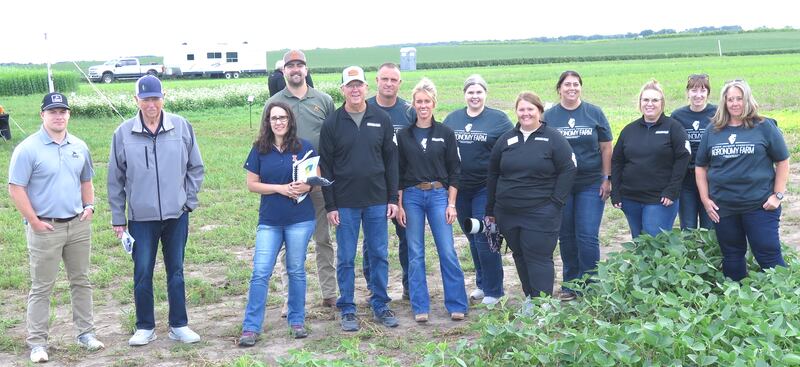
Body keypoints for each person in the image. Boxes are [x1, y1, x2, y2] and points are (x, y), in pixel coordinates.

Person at [107, 75, 205, 346]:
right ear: (136, 100)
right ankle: (145, 326)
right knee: (142, 271)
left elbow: (195, 168)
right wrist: (118, 218)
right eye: (146, 99)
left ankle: (179, 325)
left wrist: (189, 201)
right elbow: (115, 180)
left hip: (176, 215)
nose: (151, 104)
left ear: (164, 97)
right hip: (141, 218)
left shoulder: (182, 127)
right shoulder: (123, 133)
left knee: (176, 270)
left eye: (156, 98)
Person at [8, 93, 104, 363]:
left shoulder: (79, 146)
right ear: (42, 115)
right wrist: (35, 221)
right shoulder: (28, 149)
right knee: (42, 287)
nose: (59, 116)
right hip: (45, 229)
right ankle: (38, 343)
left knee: (81, 281)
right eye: (53, 112)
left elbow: (86, 180)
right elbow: (16, 188)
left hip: (77, 225)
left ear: (69, 114)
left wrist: (89, 205)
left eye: (63, 111)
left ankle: (86, 333)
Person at [319, 66, 400, 331]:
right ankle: (347, 308)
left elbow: (391, 160)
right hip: (345, 203)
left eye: (359, 85)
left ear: (367, 87)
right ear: (342, 89)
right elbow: (326, 167)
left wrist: (392, 198)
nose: (355, 90)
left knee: (379, 254)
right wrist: (330, 205)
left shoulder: (381, 118)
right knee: (345, 257)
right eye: (349, 85)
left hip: (377, 200)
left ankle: (380, 303)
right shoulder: (332, 123)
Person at [263, 49, 336, 313]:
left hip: (315, 180)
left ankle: (329, 293)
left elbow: (332, 141)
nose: (295, 69)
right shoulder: (273, 103)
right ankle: (290, 300)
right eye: (290, 65)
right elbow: (265, 142)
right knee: (288, 243)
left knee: (323, 239)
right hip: (285, 186)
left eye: (300, 65)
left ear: (306, 69)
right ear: (283, 71)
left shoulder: (324, 101)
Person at [239, 102, 316, 346]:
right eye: (274, 118)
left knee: (295, 270)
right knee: (260, 272)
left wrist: (306, 186)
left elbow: (313, 179)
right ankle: (251, 327)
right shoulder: (259, 149)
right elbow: (252, 184)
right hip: (270, 221)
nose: (279, 122)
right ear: (268, 122)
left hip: (300, 219)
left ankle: (297, 321)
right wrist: (280, 189)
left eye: (283, 117)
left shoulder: (304, 147)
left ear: (290, 120)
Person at [695, 79, 789, 281]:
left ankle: (784, 296)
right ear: (724, 102)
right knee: (732, 256)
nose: (735, 103)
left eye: (739, 98)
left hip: (760, 205)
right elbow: (700, 166)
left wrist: (778, 195)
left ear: (747, 100)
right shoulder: (713, 130)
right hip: (724, 207)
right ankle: (738, 300)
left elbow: (783, 160)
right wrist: (705, 199)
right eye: (730, 99)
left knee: (768, 255)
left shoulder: (764, 127)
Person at [486, 92, 576, 298]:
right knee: (519, 255)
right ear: (516, 112)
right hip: (508, 212)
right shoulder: (506, 139)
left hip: (541, 212)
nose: (526, 114)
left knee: (538, 257)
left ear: (540, 111)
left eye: (530, 109)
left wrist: (556, 203)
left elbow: (568, 170)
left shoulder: (554, 139)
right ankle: (530, 297)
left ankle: (543, 305)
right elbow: (493, 173)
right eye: (521, 109)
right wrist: (490, 209)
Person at [397, 78, 468, 323]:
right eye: (419, 101)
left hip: (439, 195)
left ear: (434, 103)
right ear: (413, 105)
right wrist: (399, 204)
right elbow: (399, 171)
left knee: (447, 250)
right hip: (412, 196)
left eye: (427, 101)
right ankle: (420, 307)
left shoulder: (445, 133)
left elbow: (455, 170)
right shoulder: (404, 135)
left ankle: (457, 303)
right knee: (415, 252)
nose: (423, 105)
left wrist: (451, 203)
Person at [543, 70, 612, 301]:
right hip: (561, 185)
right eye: (567, 84)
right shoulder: (550, 116)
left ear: (580, 87)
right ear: (559, 89)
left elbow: (606, 147)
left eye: (576, 84)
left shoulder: (594, 113)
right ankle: (571, 284)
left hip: (590, 182)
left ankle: (591, 283)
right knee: (566, 235)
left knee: (587, 234)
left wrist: (606, 177)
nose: (571, 88)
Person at [443, 74, 512, 305]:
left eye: (479, 92)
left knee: (485, 237)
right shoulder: (452, 119)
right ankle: (482, 284)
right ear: (464, 94)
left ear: (485, 93)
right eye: (470, 92)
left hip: (486, 188)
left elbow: (510, 149)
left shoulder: (498, 119)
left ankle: (494, 290)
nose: (475, 96)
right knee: (472, 238)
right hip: (460, 190)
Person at [362, 62, 415, 300]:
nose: (389, 84)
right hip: (373, 185)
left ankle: (409, 285)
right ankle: (373, 285)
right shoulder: (364, 107)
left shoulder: (408, 111)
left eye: (394, 80)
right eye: (385, 79)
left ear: (399, 83)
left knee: (408, 237)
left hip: (405, 184)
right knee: (373, 241)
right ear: (377, 81)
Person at [611, 80, 690, 238]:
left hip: (660, 199)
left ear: (662, 103)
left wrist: (672, 190)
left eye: (655, 100)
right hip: (630, 198)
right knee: (639, 243)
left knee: (654, 243)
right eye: (645, 100)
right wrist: (616, 192)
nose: (650, 104)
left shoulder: (673, 128)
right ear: (640, 103)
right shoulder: (629, 130)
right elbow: (617, 161)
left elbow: (683, 159)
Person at [671, 74, 717, 230]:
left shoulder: (717, 113)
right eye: (694, 90)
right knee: (688, 226)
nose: (698, 95)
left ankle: (709, 254)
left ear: (708, 93)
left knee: (709, 225)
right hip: (687, 178)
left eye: (703, 91)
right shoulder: (678, 115)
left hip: (709, 176)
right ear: (687, 92)